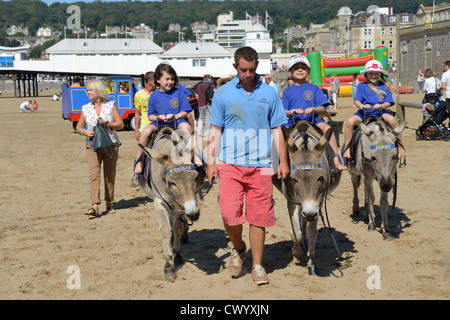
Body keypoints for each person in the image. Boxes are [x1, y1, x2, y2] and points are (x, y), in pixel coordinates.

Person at [207, 46, 289, 285]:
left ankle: (257, 266)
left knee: (259, 218)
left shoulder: (270, 92)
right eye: (244, 69)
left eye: (253, 69)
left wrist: (282, 161)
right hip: (229, 163)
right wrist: (211, 162)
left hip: (262, 164)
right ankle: (239, 248)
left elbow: (277, 129)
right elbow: (215, 129)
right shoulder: (222, 94)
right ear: (235, 67)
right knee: (229, 215)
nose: (248, 74)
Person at [282, 55, 346, 171]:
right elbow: (284, 111)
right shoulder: (287, 91)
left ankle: (335, 158)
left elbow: (322, 109)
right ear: (290, 72)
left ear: (309, 71)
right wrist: (293, 111)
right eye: (296, 68)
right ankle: (277, 163)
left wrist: (313, 109)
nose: (300, 70)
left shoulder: (314, 88)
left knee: (327, 129)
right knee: (279, 134)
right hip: (293, 121)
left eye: (303, 67)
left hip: (314, 120)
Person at [75, 80, 124, 217]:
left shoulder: (110, 105)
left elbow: (120, 124)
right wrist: (84, 132)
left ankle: (109, 204)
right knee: (94, 175)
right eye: (88, 90)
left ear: (98, 91)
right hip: (92, 145)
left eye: (91, 90)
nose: (88, 92)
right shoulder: (86, 108)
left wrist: (107, 123)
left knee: (109, 175)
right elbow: (78, 126)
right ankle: (95, 205)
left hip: (110, 145)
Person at [343, 60, 405, 160]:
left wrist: (381, 106)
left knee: (393, 120)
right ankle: (347, 148)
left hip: (380, 113)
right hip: (363, 113)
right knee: (350, 121)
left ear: (380, 74)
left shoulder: (384, 86)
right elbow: (357, 101)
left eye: (376, 73)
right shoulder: (362, 86)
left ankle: (400, 147)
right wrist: (363, 106)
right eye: (371, 73)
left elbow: (389, 102)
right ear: (366, 74)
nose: (373, 76)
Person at [145, 63, 193, 152]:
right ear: (158, 80)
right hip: (158, 123)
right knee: (146, 131)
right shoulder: (154, 95)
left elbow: (185, 111)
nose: (170, 82)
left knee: (186, 127)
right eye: (167, 79)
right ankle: (139, 159)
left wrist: (175, 116)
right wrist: (158, 118)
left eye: (172, 79)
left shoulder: (179, 92)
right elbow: (150, 116)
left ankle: (194, 155)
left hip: (177, 121)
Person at [133, 71, 157, 174]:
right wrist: (137, 131)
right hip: (145, 126)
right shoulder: (139, 95)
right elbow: (137, 113)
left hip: (157, 124)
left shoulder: (158, 93)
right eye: (156, 81)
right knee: (143, 150)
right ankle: (139, 165)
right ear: (150, 81)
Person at [195, 74, 214, 139]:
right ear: (208, 78)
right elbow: (215, 92)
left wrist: (199, 100)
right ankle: (207, 133)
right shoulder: (210, 85)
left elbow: (196, 94)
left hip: (200, 104)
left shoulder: (199, 85)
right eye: (211, 78)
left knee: (201, 118)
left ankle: (199, 132)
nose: (211, 80)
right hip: (208, 103)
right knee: (208, 118)